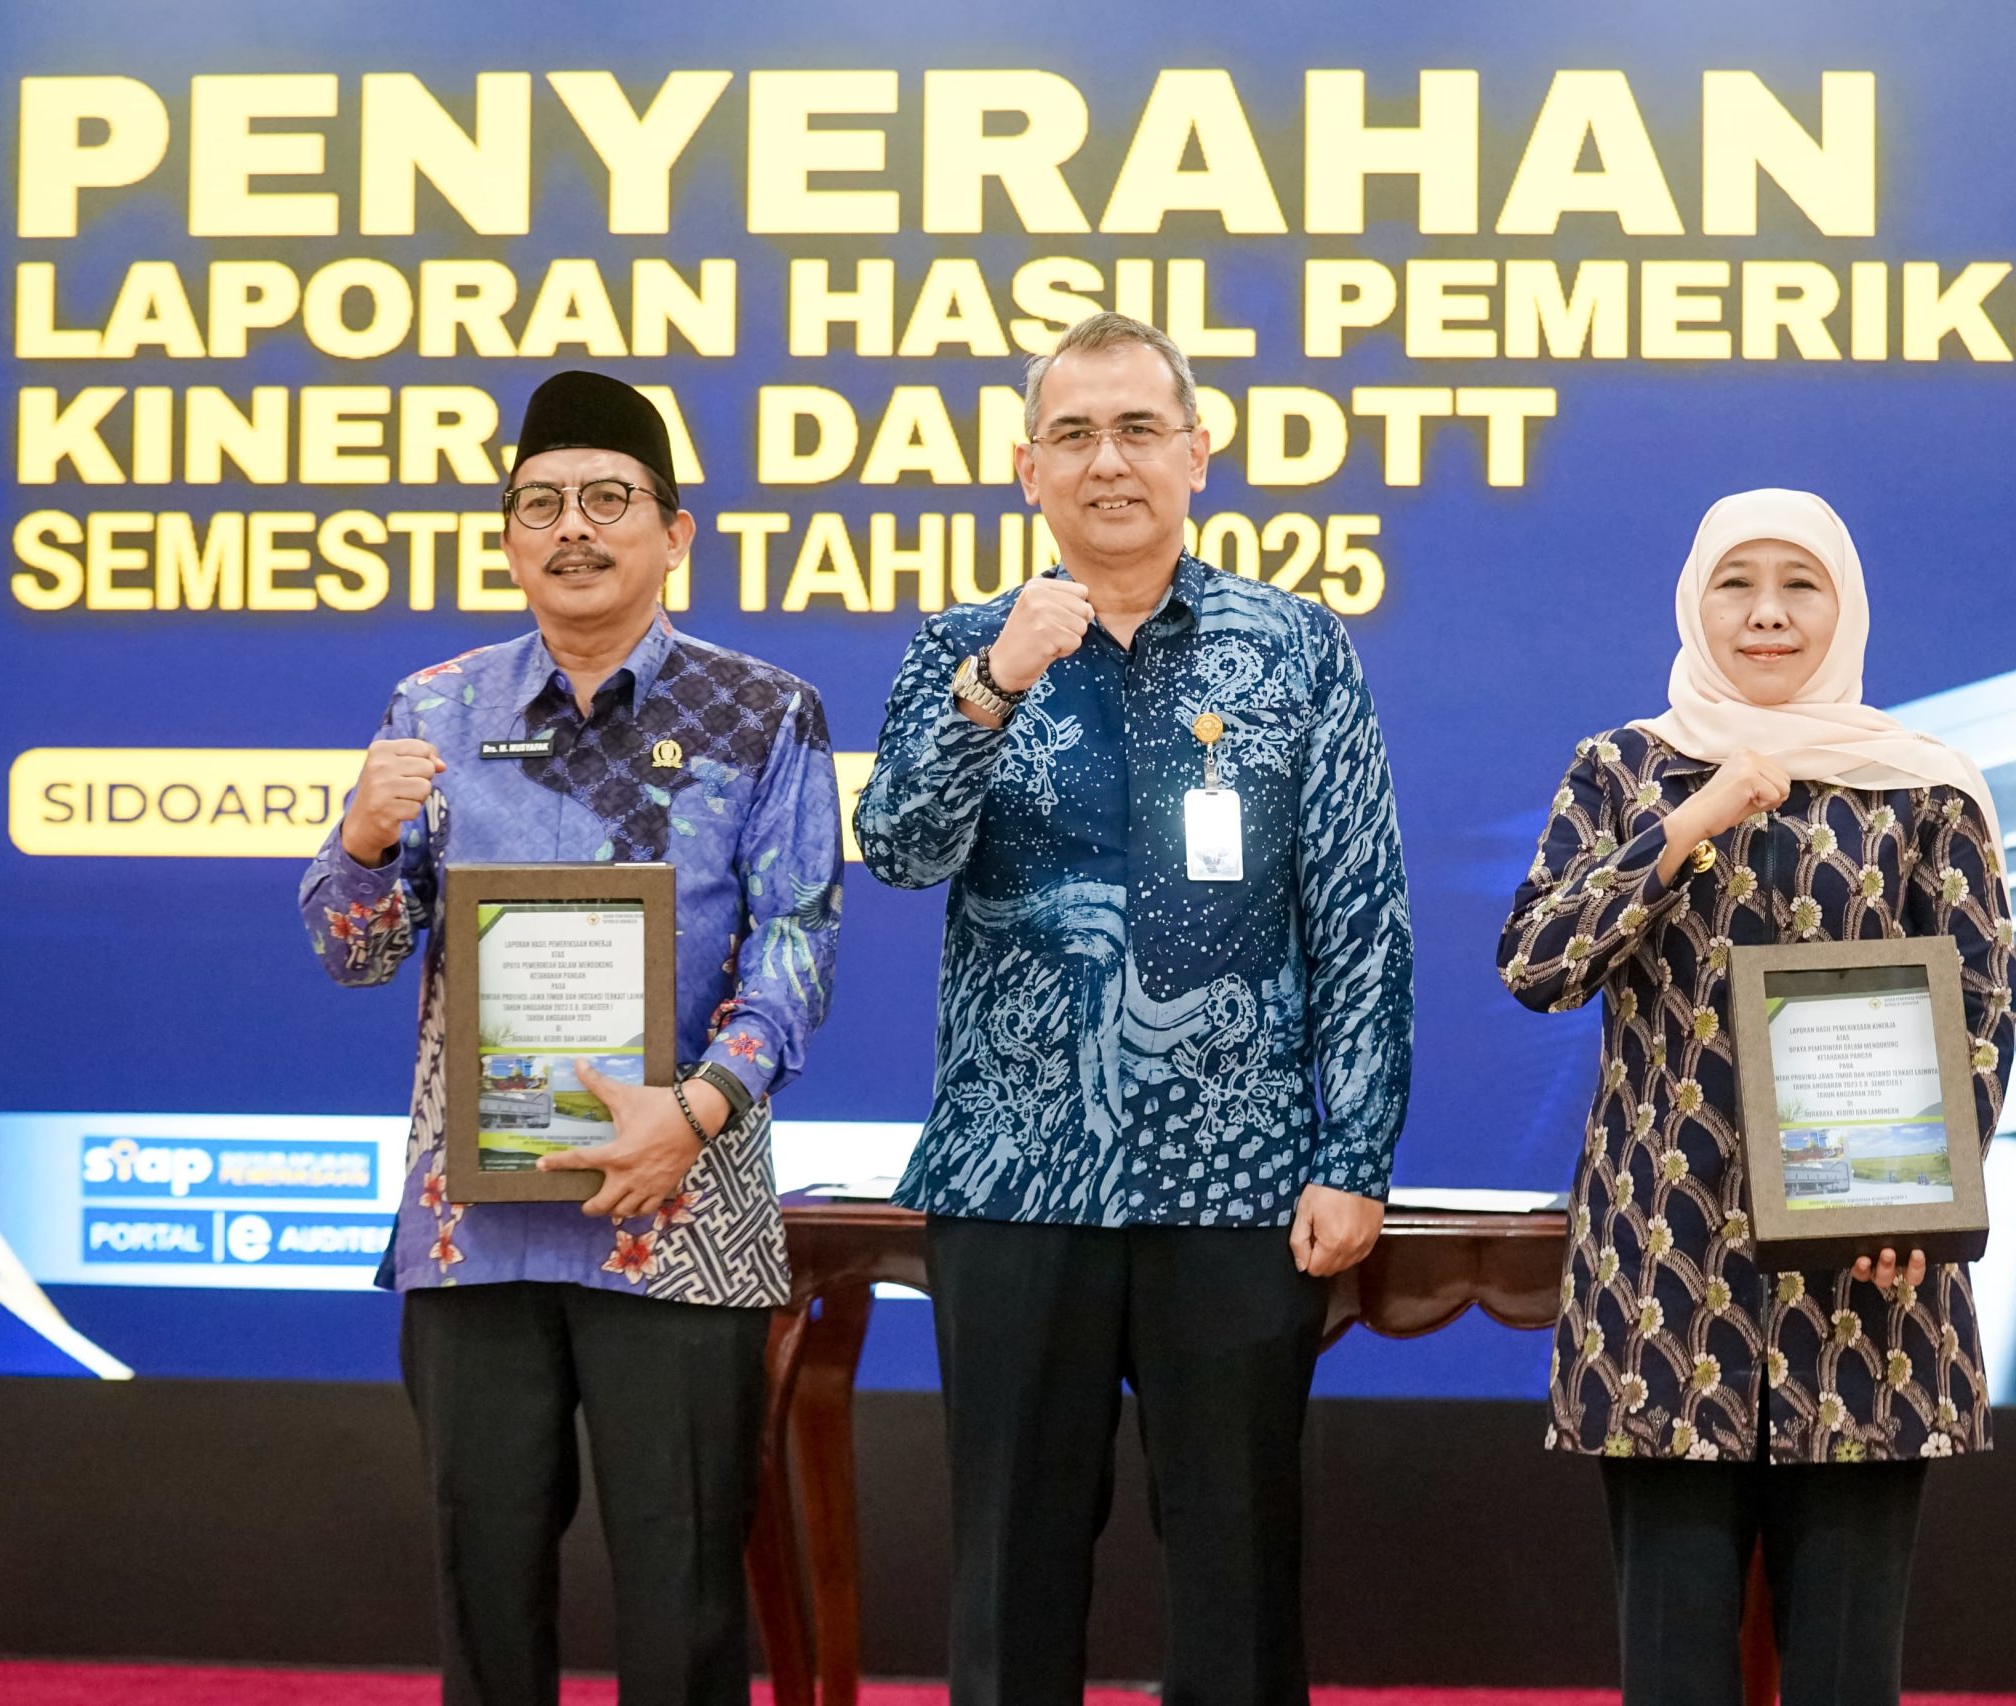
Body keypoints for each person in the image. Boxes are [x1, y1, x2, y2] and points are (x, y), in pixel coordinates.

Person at [855, 312, 1414, 1706]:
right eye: (1074, 434)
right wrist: (994, 687)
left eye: (1138, 429)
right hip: (1012, 1176)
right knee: (1010, 1571)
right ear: (1027, 468)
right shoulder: (962, 646)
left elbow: (1360, 915)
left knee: (1238, 1574)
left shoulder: (1295, 648)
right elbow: (898, 848)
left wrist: (1353, 1152)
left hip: (1233, 1177)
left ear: (1197, 453)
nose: (1108, 461)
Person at [298, 370, 843, 1706]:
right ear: (507, 535)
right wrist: (360, 838)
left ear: (675, 532)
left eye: (608, 498)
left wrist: (695, 1110)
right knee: (484, 1598)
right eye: (540, 503)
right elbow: (355, 951)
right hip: (474, 1233)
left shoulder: (763, 712)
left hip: (682, 1220)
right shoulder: (432, 708)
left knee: (686, 1598)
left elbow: (797, 948)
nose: (573, 528)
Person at [1496, 489, 2016, 1706]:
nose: (1767, 613)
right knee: (1672, 1671)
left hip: (1869, 1292)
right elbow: (1537, 963)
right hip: (1663, 1290)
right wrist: (1691, 818)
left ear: (1845, 607)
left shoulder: (1924, 789)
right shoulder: (1624, 769)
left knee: (1845, 1673)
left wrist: (1920, 1202)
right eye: (1737, 583)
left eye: (1800, 585)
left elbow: (1982, 1010)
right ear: (1695, 602)